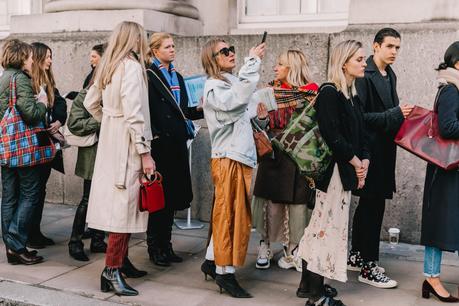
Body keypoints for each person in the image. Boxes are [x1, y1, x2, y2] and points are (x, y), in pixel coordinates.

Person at [297, 40, 370, 306]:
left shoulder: (352, 93)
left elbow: (361, 133)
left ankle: (310, 286)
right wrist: (355, 161)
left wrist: (365, 160)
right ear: (343, 62)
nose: (364, 63)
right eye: (359, 59)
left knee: (324, 228)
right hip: (333, 174)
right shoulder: (330, 92)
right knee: (324, 230)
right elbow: (331, 134)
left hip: (346, 170)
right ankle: (314, 297)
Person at [83, 21, 154, 296]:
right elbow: (135, 113)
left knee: (119, 205)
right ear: (135, 39)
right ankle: (111, 270)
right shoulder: (132, 67)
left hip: (112, 142)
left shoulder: (107, 66)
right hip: (127, 145)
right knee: (123, 208)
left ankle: (119, 264)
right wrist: (145, 152)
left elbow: (90, 103)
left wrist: (110, 122)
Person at [200, 38, 266, 298]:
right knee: (229, 218)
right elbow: (234, 104)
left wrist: (260, 115)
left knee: (231, 214)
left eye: (231, 49)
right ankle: (224, 274)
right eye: (223, 51)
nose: (230, 54)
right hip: (228, 158)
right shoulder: (214, 86)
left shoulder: (229, 82)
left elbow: (243, 110)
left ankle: (211, 260)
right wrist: (252, 62)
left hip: (239, 157)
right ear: (212, 59)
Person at [348, 28, 412, 288]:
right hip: (369, 153)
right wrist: (396, 114)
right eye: (389, 46)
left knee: (370, 207)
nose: (394, 52)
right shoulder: (365, 74)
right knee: (371, 208)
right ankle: (368, 266)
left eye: (397, 47)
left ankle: (357, 255)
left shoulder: (390, 74)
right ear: (375, 46)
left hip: (385, 152)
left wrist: (399, 116)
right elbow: (360, 118)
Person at [251, 50, 318, 271]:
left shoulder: (311, 93)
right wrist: (261, 120)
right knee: (270, 205)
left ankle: (293, 249)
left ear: (292, 68)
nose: (275, 68)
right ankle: (265, 244)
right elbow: (259, 127)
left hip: (299, 157)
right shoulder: (268, 93)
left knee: (297, 205)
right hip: (273, 155)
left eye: (280, 64)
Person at [146, 32, 203, 266]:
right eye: (167, 46)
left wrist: (199, 109)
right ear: (155, 50)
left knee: (170, 199)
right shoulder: (149, 76)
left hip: (177, 144)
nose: (172, 49)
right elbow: (147, 110)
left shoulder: (177, 76)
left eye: (173, 46)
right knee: (158, 200)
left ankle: (166, 245)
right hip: (160, 145)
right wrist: (155, 133)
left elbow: (183, 111)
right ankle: (154, 247)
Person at [0, 39, 47, 265]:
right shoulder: (20, 79)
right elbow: (30, 113)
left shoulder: (3, 79)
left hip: (6, 146)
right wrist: (43, 103)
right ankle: (16, 245)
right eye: (29, 57)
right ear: (21, 58)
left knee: (9, 196)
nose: (31, 60)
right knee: (30, 193)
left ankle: (11, 248)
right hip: (22, 149)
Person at [420, 41, 459, 303]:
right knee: (438, 225)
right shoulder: (450, 90)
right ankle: (431, 278)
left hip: (452, 169)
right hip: (446, 169)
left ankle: (431, 277)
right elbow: (448, 127)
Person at [66, 44, 107, 262]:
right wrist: (101, 120)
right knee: (87, 198)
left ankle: (99, 239)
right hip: (92, 155)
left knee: (105, 199)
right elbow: (75, 124)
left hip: (109, 155)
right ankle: (75, 241)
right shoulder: (86, 94)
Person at [27, 42, 68, 249]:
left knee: (39, 190)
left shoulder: (48, 82)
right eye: (48, 56)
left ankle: (35, 231)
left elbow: (60, 103)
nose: (51, 60)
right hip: (32, 145)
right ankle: (28, 233)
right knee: (32, 192)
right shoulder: (28, 82)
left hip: (46, 144)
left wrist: (59, 120)